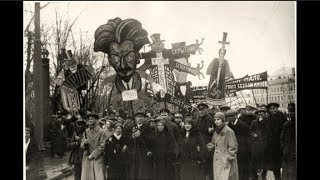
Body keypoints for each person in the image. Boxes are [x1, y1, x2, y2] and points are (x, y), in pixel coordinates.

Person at [207, 112, 239, 180]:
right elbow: (213, 143)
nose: (216, 121)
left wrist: (228, 159)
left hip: (226, 160)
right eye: (215, 119)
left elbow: (233, 147)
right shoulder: (216, 132)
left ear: (223, 120)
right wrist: (203, 147)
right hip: (218, 160)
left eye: (218, 119)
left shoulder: (228, 131)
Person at [127, 111, 155, 180]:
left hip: (143, 153)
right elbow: (127, 140)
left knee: (143, 171)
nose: (139, 118)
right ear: (135, 118)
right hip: (134, 153)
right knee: (134, 170)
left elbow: (151, 140)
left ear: (144, 118)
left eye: (141, 117)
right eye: (138, 117)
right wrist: (132, 136)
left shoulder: (147, 128)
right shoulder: (132, 127)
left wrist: (141, 135)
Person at [80, 113, 107, 180]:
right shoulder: (86, 131)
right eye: (89, 119)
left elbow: (102, 146)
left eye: (92, 119)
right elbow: (81, 146)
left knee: (98, 177)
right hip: (87, 157)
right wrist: (84, 143)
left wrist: (93, 155)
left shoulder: (101, 131)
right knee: (88, 177)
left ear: (96, 120)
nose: (90, 120)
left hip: (97, 158)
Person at [226, 109, 250, 180]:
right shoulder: (227, 126)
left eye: (231, 116)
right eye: (228, 116)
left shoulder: (243, 124)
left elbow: (247, 139)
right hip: (232, 151)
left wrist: (247, 150)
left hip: (243, 150)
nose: (229, 118)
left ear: (236, 116)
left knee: (243, 169)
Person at [264, 103, 286, 180]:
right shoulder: (266, 119)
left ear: (277, 109)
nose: (273, 110)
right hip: (270, 146)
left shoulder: (283, 118)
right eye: (271, 108)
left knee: (281, 164)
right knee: (274, 166)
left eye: (274, 108)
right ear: (269, 110)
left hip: (280, 144)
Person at [249, 109, 270, 180]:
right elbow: (250, 131)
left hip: (264, 144)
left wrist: (262, 123)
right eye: (259, 114)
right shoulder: (254, 122)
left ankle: (263, 176)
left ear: (264, 115)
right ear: (257, 115)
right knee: (256, 161)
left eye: (262, 114)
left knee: (264, 162)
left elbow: (268, 131)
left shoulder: (267, 122)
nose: (261, 116)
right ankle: (256, 176)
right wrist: (253, 134)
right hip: (256, 144)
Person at [196, 103, 214, 180]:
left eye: (203, 109)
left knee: (209, 166)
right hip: (200, 145)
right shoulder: (198, 119)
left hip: (209, 145)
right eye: (200, 110)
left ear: (207, 109)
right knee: (201, 164)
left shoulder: (211, 119)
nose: (201, 111)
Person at [280, 103, 296, 180]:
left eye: (293, 111)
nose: (292, 114)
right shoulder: (286, 124)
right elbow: (282, 138)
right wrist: (285, 149)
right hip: (288, 151)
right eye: (290, 112)